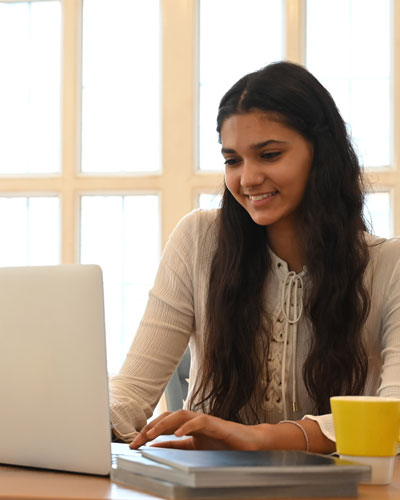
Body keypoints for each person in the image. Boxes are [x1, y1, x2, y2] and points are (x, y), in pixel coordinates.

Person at [110, 61, 400, 453]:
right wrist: (74, 421)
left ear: (322, 154)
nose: (246, 179)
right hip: (209, 491)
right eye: (233, 160)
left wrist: (258, 437)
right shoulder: (198, 240)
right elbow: (131, 392)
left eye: (269, 155)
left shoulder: (389, 266)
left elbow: (393, 415)